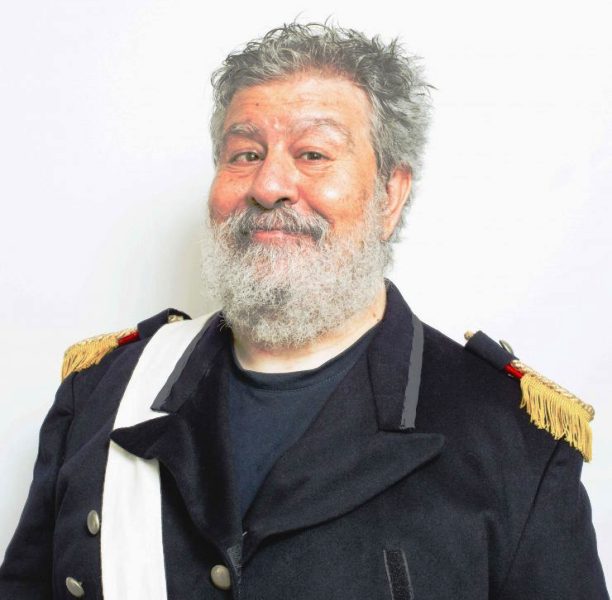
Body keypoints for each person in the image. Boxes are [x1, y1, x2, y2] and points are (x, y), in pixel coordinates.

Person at [0, 22, 608, 600]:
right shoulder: (100, 392)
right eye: (245, 153)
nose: (268, 186)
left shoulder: (513, 438)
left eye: (313, 153)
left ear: (390, 194)